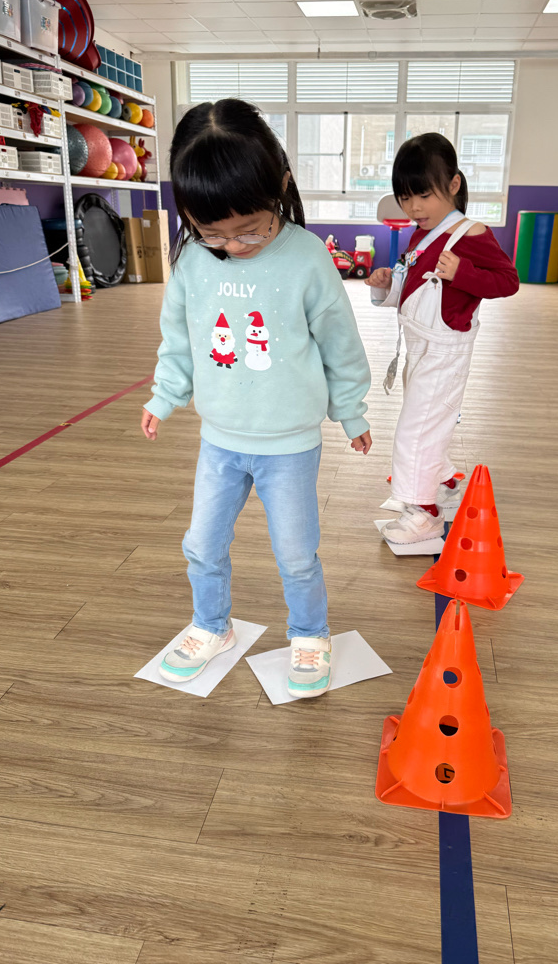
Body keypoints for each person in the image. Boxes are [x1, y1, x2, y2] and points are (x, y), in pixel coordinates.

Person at [141, 98, 371, 698]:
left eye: (250, 229)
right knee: (201, 545)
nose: (234, 246)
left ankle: (310, 634)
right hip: (219, 440)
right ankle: (210, 625)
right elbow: (179, 338)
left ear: (281, 187)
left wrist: (351, 411)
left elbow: (340, 343)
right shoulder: (192, 261)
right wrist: (165, 395)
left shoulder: (308, 257)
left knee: (296, 555)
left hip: (289, 445)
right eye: (213, 233)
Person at [365, 133, 518, 545]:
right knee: (426, 423)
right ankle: (445, 482)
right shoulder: (422, 231)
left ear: (453, 184)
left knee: (415, 431)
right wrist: (387, 284)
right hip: (419, 346)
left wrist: (463, 273)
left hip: (445, 350)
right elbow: (415, 283)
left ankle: (424, 514)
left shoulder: (472, 233)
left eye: (424, 195)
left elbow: (509, 281)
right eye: (405, 197)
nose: (414, 207)